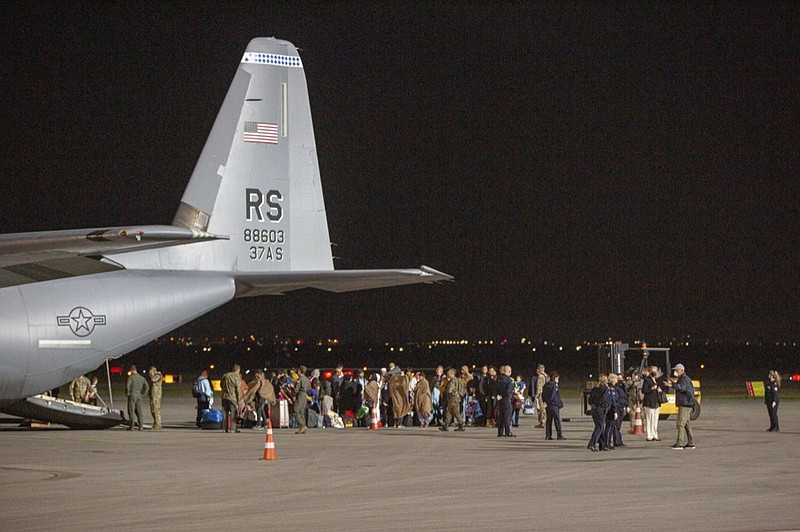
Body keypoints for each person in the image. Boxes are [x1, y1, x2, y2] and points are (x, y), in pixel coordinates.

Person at [664, 363, 695, 449]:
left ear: (681, 370)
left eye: (676, 370)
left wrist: (672, 385)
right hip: (686, 403)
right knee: (686, 424)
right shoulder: (683, 378)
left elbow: (682, 388)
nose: (675, 372)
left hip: (685, 404)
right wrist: (673, 384)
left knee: (680, 423)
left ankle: (680, 443)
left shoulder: (684, 379)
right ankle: (691, 442)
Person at [587, 375, 611, 451]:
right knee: (599, 427)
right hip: (600, 409)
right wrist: (604, 405)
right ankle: (592, 443)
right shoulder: (605, 389)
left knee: (600, 427)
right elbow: (605, 399)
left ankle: (602, 445)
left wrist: (593, 404)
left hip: (594, 409)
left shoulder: (595, 388)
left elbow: (590, 399)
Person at [439, 367, 465, 432]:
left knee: (456, 413)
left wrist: (445, 390)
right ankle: (446, 425)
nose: (447, 373)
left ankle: (461, 425)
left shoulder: (453, 380)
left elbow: (450, 390)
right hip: (453, 399)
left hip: (454, 398)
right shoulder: (456, 380)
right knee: (449, 412)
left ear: (451, 373)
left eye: (448, 372)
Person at [641, 366, 663, 441]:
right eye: (654, 371)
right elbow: (644, 390)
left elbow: (661, 387)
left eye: (656, 371)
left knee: (655, 419)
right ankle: (649, 435)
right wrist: (651, 388)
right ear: (650, 372)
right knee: (649, 419)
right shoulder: (647, 380)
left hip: (656, 402)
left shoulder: (657, 380)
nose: (655, 372)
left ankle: (655, 435)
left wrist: (659, 389)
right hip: (649, 402)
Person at [542, 371, 565, 440]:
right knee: (557, 420)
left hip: (548, 406)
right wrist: (552, 401)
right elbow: (553, 395)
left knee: (549, 421)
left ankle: (548, 435)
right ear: (555, 378)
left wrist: (545, 402)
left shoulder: (546, 385)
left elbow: (543, 395)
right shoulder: (554, 385)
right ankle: (559, 435)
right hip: (554, 405)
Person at [126, 365, 149, 431]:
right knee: (139, 411)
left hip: (132, 394)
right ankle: (141, 426)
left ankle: (132, 426)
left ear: (132, 370)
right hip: (139, 395)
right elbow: (147, 387)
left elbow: (128, 386)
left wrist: (128, 393)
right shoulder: (142, 378)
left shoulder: (130, 378)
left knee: (131, 411)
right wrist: (144, 394)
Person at [220, 364, 242, 433]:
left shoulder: (225, 375)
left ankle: (224, 428)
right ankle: (232, 429)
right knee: (233, 413)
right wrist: (239, 399)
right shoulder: (236, 377)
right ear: (238, 370)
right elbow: (238, 389)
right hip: (232, 397)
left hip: (224, 396)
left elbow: (221, 385)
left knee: (225, 413)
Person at [496, 365, 515, 437]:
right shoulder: (509, 380)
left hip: (500, 399)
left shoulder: (498, 379)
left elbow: (496, 389)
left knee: (501, 416)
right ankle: (508, 431)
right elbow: (509, 391)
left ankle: (500, 432)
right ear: (509, 372)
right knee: (507, 416)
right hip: (506, 399)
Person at [625, 368, 644, 433]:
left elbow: (642, 386)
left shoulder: (641, 381)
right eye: (634, 374)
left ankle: (643, 427)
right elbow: (628, 386)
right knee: (632, 413)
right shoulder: (630, 381)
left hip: (640, 398)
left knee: (642, 414)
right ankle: (632, 427)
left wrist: (638, 380)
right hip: (632, 398)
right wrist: (634, 381)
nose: (635, 375)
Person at [293, 365, 309, 434]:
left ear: (300, 371)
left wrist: (293, 386)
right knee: (302, 411)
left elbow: (296, 390)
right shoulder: (306, 379)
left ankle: (302, 425)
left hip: (300, 395)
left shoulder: (300, 379)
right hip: (305, 395)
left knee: (296, 410)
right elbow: (308, 388)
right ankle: (303, 426)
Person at [148, 365, 163, 430]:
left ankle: (158, 424)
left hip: (156, 395)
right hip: (153, 395)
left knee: (156, 409)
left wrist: (151, 374)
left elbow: (153, 380)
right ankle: (156, 423)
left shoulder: (158, 375)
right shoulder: (154, 375)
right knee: (153, 410)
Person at [533, 364, 549, 428]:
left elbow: (539, 386)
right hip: (547, 394)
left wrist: (537, 395)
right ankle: (544, 420)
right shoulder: (546, 375)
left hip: (542, 394)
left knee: (541, 408)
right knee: (544, 408)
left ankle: (542, 422)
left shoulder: (540, 376)